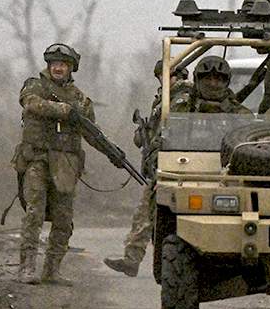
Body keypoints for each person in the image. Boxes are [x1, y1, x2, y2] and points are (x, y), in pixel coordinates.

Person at [103, 56, 249, 276]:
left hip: (223, 174)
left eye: (218, 79)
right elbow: (162, 137)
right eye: (208, 79)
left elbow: (247, 143)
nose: (213, 84)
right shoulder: (180, 105)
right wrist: (155, 158)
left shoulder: (236, 111)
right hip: (182, 169)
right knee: (149, 212)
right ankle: (135, 259)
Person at [13, 43, 124, 285]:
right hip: (37, 160)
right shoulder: (36, 85)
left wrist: (112, 153)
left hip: (65, 165)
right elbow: (30, 103)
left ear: (71, 68)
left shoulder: (80, 99)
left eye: (63, 65)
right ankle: (26, 268)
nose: (58, 68)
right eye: (54, 64)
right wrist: (63, 110)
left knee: (63, 219)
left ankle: (52, 270)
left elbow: (91, 132)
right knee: (34, 213)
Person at [103, 61, 190, 276]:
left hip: (175, 166)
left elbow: (174, 131)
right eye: (161, 76)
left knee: (154, 216)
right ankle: (132, 260)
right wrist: (144, 134)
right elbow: (154, 133)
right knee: (144, 214)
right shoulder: (163, 99)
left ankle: (158, 263)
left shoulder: (182, 98)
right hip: (160, 165)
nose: (165, 80)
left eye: (170, 75)